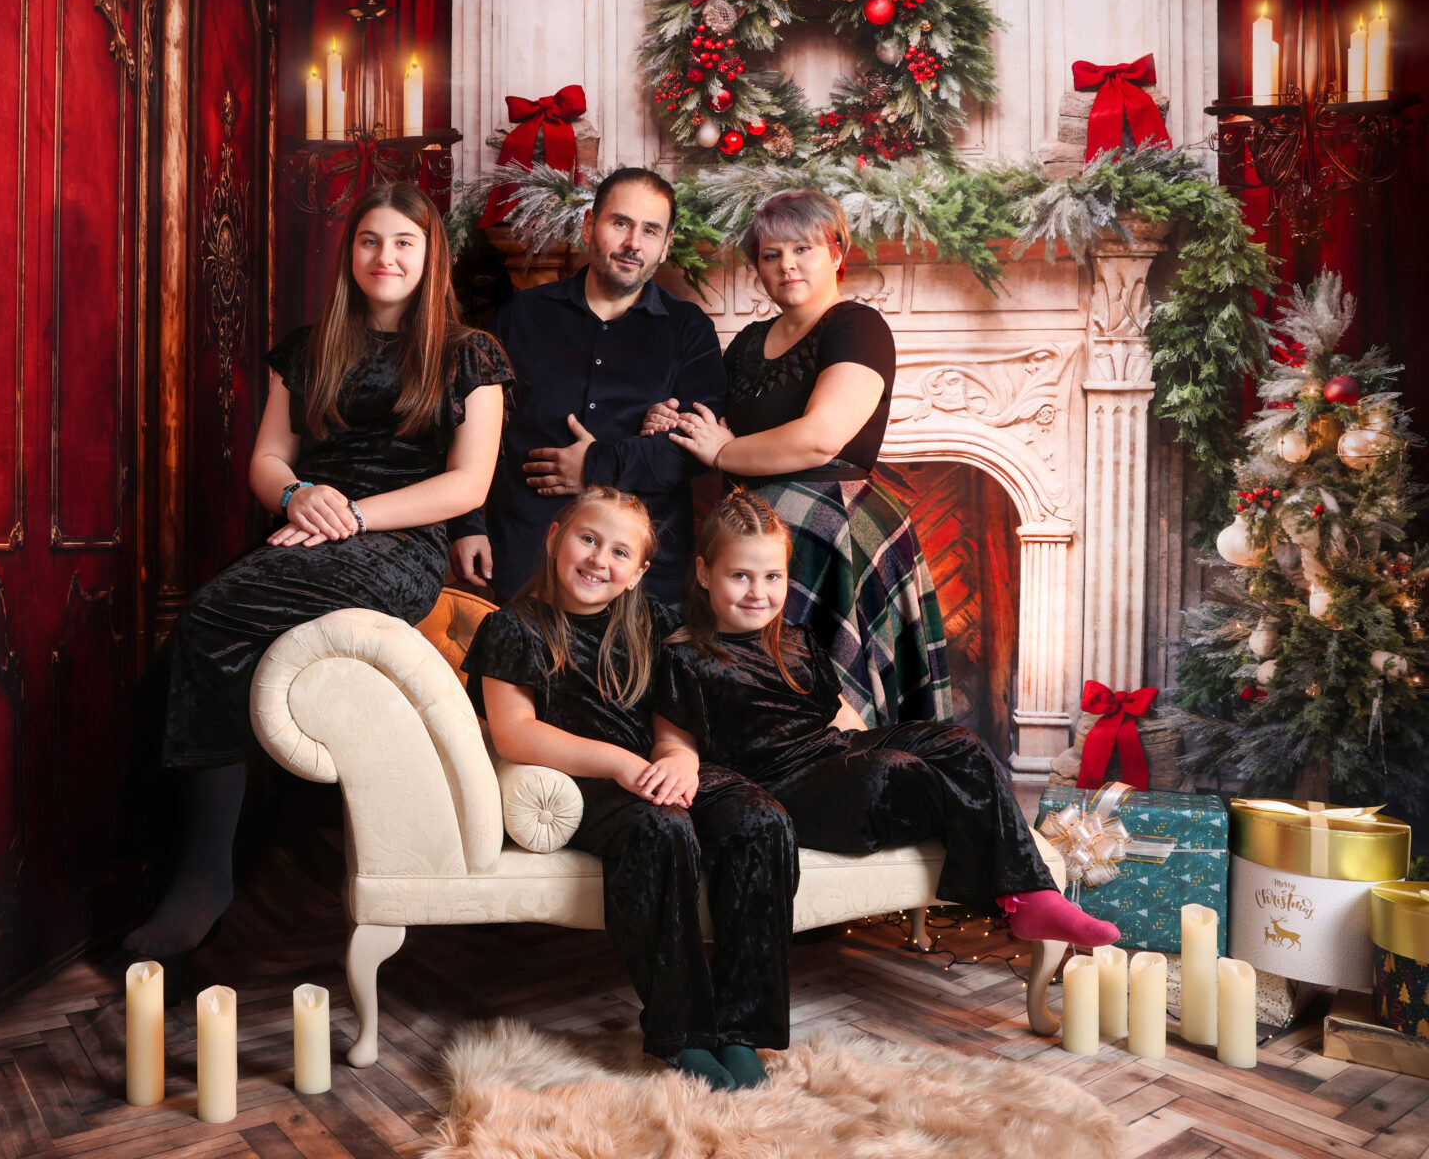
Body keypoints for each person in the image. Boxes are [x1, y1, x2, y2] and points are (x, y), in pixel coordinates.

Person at [123, 183, 512, 959]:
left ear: (430, 254)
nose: (386, 257)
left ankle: (204, 881)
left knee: (206, 621)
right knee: (177, 657)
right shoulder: (308, 348)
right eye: (370, 241)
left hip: (398, 545)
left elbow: (468, 486)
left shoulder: (470, 354)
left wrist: (358, 514)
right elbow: (266, 459)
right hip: (307, 529)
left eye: (404, 241)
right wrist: (301, 494)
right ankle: (190, 867)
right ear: (351, 254)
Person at [656, 490, 1118, 950]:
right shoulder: (685, 654)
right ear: (703, 573)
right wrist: (677, 757)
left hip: (831, 755)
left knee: (959, 744)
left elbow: (840, 714)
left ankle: (1030, 897)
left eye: (772, 576)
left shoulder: (796, 640)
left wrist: (867, 746)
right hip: (778, 784)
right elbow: (674, 739)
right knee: (891, 772)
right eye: (740, 576)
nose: (759, 592)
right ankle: (994, 860)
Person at [465, 486, 795, 1091]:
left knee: (761, 818)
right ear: (555, 536)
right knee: (660, 826)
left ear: (639, 571)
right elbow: (514, 733)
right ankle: (684, 1031)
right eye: (588, 539)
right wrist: (620, 764)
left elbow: (676, 720)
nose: (599, 559)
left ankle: (740, 1026)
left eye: (620, 551)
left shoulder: (655, 622)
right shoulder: (514, 628)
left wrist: (680, 759)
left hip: (658, 768)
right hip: (589, 785)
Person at [651, 188, 950, 725]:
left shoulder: (857, 326)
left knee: (829, 704)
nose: (787, 265)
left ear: (836, 253)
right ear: (758, 270)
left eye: (802, 249)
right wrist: (671, 422)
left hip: (831, 530)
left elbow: (821, 437)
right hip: (758, 534)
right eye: (771, 255)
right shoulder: (747, 342)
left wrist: (724, 452)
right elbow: (714, 427)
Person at [449, 168, 726, 605]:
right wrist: (467, 526)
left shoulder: (689, 330)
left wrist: (594, 466)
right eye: (620, 223)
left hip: (644, 575)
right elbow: (465, 427)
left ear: (665, 245)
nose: (634, 243)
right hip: (525, 556)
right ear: (588, 226)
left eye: (650, 230)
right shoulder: (520, 317)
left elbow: (693, 450)